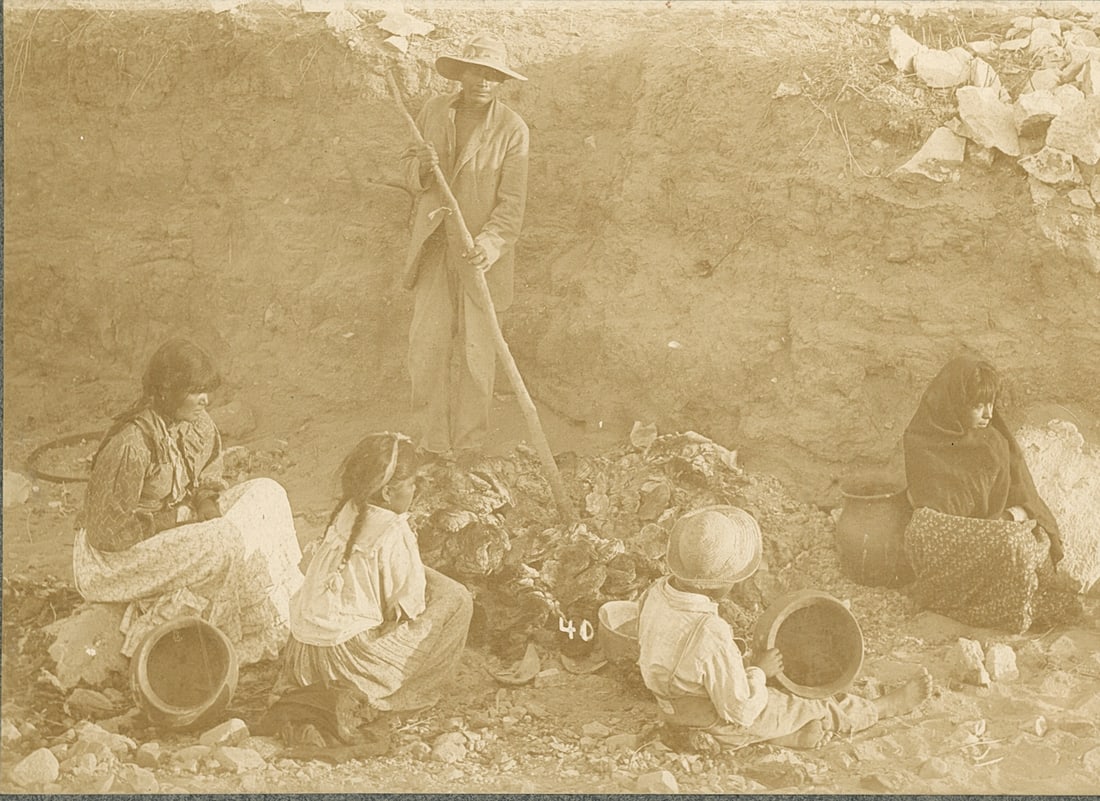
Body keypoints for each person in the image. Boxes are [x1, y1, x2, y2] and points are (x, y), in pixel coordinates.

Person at [75, 339, 304, 665]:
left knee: (268, 492)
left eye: (205, 390)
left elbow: (208, 477)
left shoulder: (198, 424)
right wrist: (179, 519)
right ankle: (214, 643)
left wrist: (208, 507)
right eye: (194, 391)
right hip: (114, 557)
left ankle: (285, 602)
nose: (205, 400)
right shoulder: (132, 444)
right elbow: (105, 533)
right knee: (224, 540)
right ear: (167, 391)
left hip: (173, 524)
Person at [637, 506, 932, 753]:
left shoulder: (656, 593)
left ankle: (787, 736)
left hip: (671, 706)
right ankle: (879, 709)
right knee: (808, 703)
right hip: (712, 719)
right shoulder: (710, 631)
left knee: (772, 701)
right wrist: (759, 673)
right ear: (722, 582)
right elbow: (740, 709)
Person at [400, 33, 530, 457]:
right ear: (462, 74)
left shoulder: (512, 129)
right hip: (435, 246)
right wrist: (420, 169)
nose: (483, 81)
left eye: (492, 75)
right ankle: (433, 446)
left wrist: (489, 246)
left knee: (477, 355)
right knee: (427, 347)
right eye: (476, 71)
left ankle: (470, 447)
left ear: (501, 82)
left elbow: (512, 208)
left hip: (479, 260)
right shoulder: (434, 111)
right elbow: (406, 172)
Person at [279, 432, 473, 713]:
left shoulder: (348, 510)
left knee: (427, 578)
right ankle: (409, 692)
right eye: (411, 484)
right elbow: (407, 609)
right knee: (458, 598)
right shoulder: (394, 528)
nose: (416, 490)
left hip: (304, 660)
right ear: (386, 493)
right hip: (348, 666)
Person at [902, 354, 1080, 632]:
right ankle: (964, 601)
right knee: (921, 528)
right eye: (977, 406)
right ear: (955, 403)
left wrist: (1009, 517)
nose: (987, 414)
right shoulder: (921, 440)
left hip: (993, 533)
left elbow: (1024, 499)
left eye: (991, 404)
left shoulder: (994, 442)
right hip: (948, 537)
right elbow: (928, 508)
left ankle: (1001, 607)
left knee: (1021, 544)